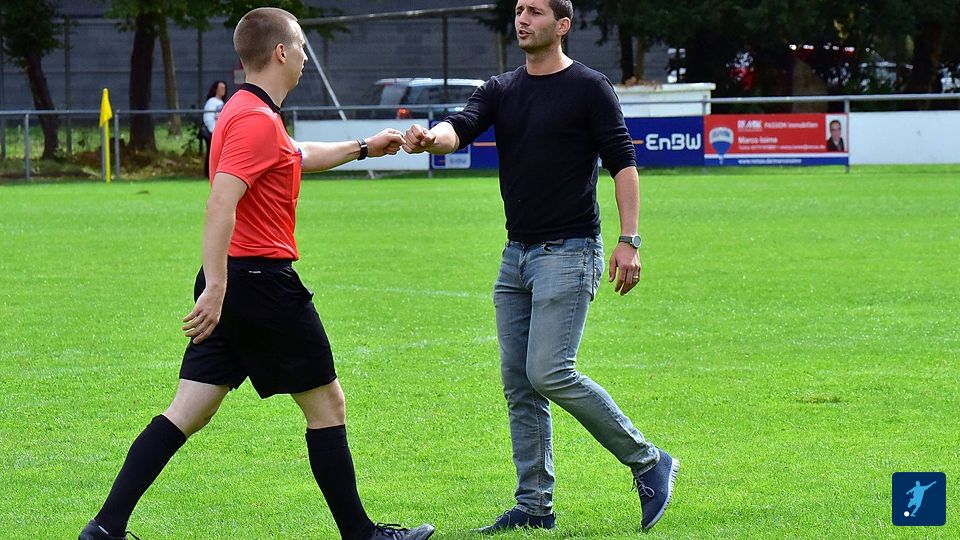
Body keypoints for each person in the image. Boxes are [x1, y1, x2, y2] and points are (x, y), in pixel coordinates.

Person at [79, 7, 434, 540]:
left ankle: (105, 527)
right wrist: (218, 287)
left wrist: (364, 147)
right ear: (281, 52)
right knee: (327, 405)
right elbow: (220, 203)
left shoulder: (248, 111)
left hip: (238, 283)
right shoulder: (254, 119)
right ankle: (362, 535)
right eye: (302, 46)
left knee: (188, 411)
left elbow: (295, 155)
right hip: (259, 285)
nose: (306, 56)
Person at [401, 0, 678, 533]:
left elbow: (623, 163)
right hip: (517, 257)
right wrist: (430, 137)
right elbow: (461, 126)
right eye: (518, 10)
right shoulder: (501, 88)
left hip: (570, 251)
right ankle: (534, 507)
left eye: (535, 11)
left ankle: (648, 461)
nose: (522, 19)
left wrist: (630, 240)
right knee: (520, 385)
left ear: (562, 25)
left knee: (550, 371)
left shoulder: (589, 87)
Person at [201, 80, 229, 178]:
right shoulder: (211, 102)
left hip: (218, 133)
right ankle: (208, 173)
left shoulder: (222, 103)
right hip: (212, 132)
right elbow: (208, 117)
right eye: (221, 88)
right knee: (211, 153)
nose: (223, 90)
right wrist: (212, 130)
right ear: (216, 89)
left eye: (224, 88)